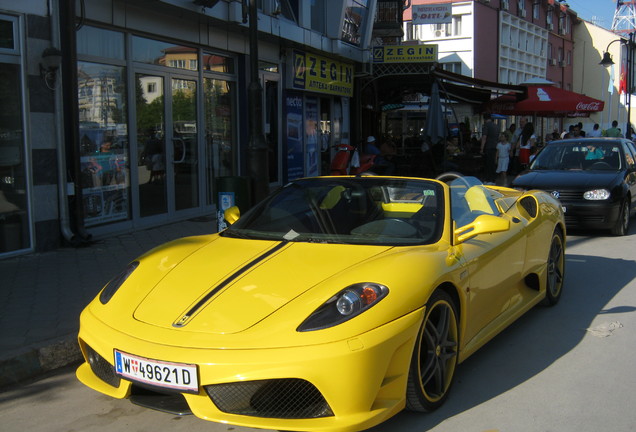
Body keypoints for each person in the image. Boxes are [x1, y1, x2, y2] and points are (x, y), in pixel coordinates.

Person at [480, 113, 499, 183]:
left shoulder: (486, 126)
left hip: (488, 147)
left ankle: (487, 179)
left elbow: (484, 137)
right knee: (493, 163)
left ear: (484, 119)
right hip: (495, 146)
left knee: (487, 163)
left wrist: (481, 148)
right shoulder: (496, 126)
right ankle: (493, 178)